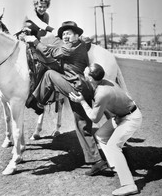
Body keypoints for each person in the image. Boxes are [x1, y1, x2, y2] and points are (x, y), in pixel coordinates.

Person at [24, 21, 108, 173]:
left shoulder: (72, 47)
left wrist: (35, 42)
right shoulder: (75, 45)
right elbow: (54, 49)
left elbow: (51, 53)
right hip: (81, 88)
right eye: (63, 34)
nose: (66, 36)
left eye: (69, 33)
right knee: (82, 125)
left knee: (49, 74)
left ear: (77, 35)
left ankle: (38, 103)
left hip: (75, 86)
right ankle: (97, 160)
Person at [69, 63, 142, 196]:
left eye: (87, 70)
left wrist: (82, 101)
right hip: (122, 116)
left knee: (114, 146)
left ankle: (129, 185)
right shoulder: (104, 81)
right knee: (101, 135)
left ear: (90, 78)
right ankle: (116, 166)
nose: (85, 69)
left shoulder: (101, 93)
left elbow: (94, 118)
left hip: (131, 118)